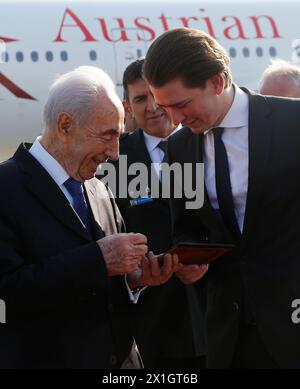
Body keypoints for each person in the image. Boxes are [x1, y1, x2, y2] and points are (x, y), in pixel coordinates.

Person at [0, 66, 178, 369]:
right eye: (108, 135)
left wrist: (134, 280)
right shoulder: (6, 188)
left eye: (119, 136)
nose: (115, 153)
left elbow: (103, 285)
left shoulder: (98, 188)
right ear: (65, 126)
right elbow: (7, 294)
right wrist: (98, 259)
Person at [143, 27, 300, 369]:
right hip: (228, 334)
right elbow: (184, 229)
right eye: (166, 107)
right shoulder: (179, 147)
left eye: (181, 105)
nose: (175, 119)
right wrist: (191, 264)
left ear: (216, 82)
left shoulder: (292, 123)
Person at [99, 58, 207, 368]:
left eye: (154, 95)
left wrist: (206, 265)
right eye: (140, 99)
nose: (151, 107)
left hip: (214, 310)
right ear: (127, 107)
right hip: (150, 325)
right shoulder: (114, 161)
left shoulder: (207, 145)